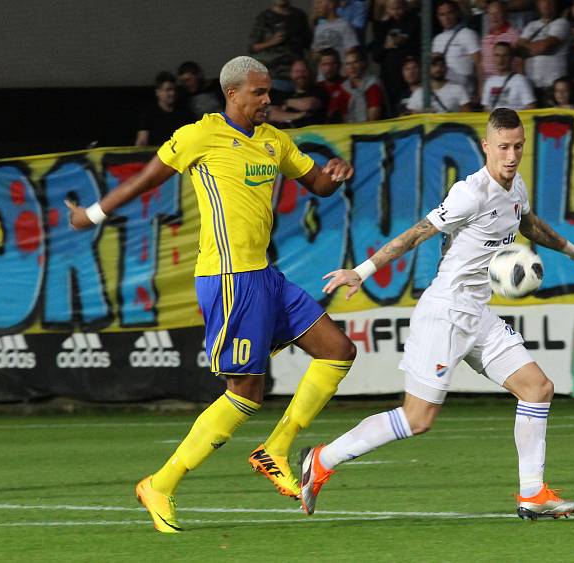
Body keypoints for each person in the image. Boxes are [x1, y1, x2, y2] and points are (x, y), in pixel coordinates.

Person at [66, 56, 357, 533]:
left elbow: (317, 185)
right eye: (259, 93)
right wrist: (91, 215)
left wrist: (334, 172)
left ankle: (276, 449)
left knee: (338, 352)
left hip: (265, 275)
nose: (268, 101)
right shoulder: (199, 135)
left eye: (270, 93)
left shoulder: (273, 140)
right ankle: (161, 483)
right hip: (228, 279)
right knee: (245, 392)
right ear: (232, 94)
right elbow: (146, 179)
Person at [297, 107, 574, 519]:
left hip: (477, 313)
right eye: (503, 148)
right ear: (486, 147)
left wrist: (573, 251)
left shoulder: (517, 189)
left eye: (517, 147)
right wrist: (362, 271)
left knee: (537, 388)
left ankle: (532, 494)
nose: (510, 156)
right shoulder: (470, 193)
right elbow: (416, 234)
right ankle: (321, 460)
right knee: (417, 418)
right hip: (445, 312)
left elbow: (529, 225)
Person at [248, 0, 312, 91]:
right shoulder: (264, 17)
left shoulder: (299, 15)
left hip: (300, 74)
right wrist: (272, 42)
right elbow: (252, 47)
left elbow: (308, 43)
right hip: (276, 74)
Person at [370, 0, 421, 111]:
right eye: (392, 9)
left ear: (405, 6)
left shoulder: (415, 21)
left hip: (410, 77)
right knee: (392, 108)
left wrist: (405, 41)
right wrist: (386, 46)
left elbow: (420, 46)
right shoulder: (382, 26)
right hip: (390, 77)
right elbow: (376, 56)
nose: (396, 12)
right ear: (387, 9)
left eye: (399, 8)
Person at [517, 0, 572, 96]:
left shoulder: (562, 23)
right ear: (538, 4)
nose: (546, 4)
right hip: (531, 87)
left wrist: (527, 45)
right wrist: (535, 47)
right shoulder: (530, 25)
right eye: (543, 1)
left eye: (550, 1)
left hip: (554, 87)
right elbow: (518, 49)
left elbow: (544, 47)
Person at [432, 0, 483, 99]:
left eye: (449, 13)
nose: (446, 18)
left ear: (457, 13)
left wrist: (480, 91)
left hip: (465, 94)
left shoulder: (468, 34)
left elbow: (479, 64)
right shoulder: (437, 39)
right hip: (442, 95)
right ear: (438, 17)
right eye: (442, 14)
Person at [135, 72, 195, 147]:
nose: (172, 93)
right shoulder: (148, 115)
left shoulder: (185, 113)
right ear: (158, 92)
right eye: (168, 90)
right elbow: (142, 142)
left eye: (174, 89)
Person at [267, 58, 329, 128]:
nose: (300, 75)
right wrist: (300, 115)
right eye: (297, 71)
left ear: (310, 73)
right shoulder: (286, 94)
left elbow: (309, 104)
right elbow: (272, 115)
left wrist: (285, 106)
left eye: (303, 71)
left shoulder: (319, 91)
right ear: (291, 74)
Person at [405, 52, 472, 113]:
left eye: (442, 64)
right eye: (434, 65)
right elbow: (409, 116)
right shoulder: (419, 92)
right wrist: (423, 113)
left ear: (446, 68)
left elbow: (467, 116)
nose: (439, 68)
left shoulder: (458, 89)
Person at [481, 42, 537, 110]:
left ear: (511, 58)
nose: (500, 60)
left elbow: (531, 107)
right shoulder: (489, 82)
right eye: (497, 55)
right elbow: (486, 109)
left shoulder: (520, 80)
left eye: (505, 55)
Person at [341, 48, 387, 121]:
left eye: (355, 62)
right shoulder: (344, 87)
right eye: (348, 64)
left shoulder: (373, 84)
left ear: (363, 63)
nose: (351, 67)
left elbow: (373, 118)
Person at [480, 1, 521, 78]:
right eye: (491, 14)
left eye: (497, 13)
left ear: (505, 15)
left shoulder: (514, 35)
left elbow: (519, 64)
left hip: (507, 83)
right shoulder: (485, 38)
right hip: (489, 85)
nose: (494, 17)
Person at [317, 48, 350, 122]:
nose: (329, 68)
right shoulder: (316, 88)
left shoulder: (349, 85)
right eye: (325, 64)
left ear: (339, 65)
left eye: (333, 63)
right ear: (320, 67)